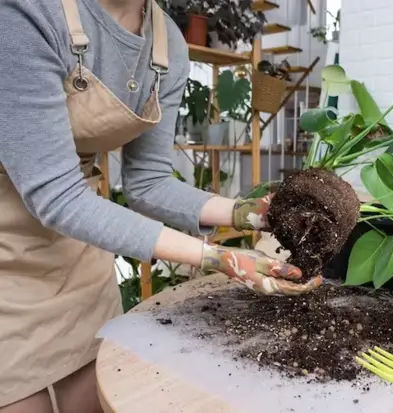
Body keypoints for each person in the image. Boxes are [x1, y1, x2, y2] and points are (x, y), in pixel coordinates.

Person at [0, 0, 321, 411]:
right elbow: (56, 193)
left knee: (95, 397)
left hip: (77, 244)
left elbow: (149, 183)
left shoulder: (165, 42)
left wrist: (253, 213)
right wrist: (218, 257)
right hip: (9, 247)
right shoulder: (29, 12)